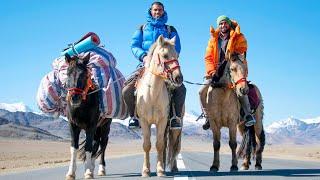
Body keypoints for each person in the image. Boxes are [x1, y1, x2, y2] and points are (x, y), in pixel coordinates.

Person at [122, 1, 186, 129]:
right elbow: (134, 45)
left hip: (165, 67)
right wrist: (144, 56)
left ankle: (175, 118)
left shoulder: (170, 29)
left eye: (160, 10)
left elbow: (176, 47)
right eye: (155, 10)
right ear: (150, 11)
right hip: (145, 64)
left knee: (180, 89)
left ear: (163, 11)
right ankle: (134, 117)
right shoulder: (142, 28)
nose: (157, 12)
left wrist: (168, 58)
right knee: (127, 90)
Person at [199, 15, 256, 130]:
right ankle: (207, 116)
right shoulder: (213, 40)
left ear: (229, 24)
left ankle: (248, 114)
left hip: (233, 68)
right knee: (201, 91)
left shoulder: (238, 36)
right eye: (220, 24)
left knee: (240, 89)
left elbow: (243, 48)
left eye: (225, 23)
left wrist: (235, 53)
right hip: (216, 71)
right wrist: (211, 71)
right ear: (218, 26)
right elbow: (208, 57)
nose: (223, 25)